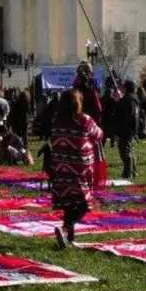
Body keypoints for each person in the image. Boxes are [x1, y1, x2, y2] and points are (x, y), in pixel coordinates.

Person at [50, 90, 104, 248]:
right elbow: (99, 134)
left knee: (69, 201)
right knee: (83, 203)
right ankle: (65, 229)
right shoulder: (84, 120)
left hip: (61, 166)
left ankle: (68, 237)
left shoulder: (57, 121)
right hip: (80, 167)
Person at [115, 80, 141, 179]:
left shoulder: (126, 101)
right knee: (131, 150)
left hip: (126, 129)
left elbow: (122, 114)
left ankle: (127, 173)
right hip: (133, 128)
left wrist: (118, 100)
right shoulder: (135, 99)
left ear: (126, 88)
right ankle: (133, 171)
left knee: (124, 152)